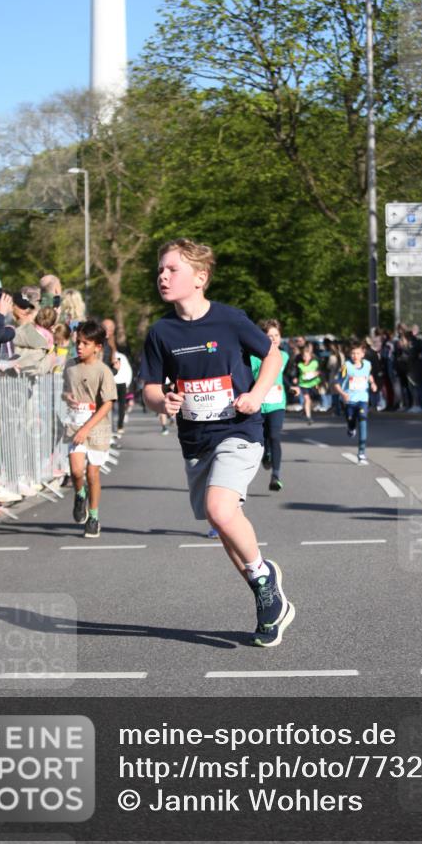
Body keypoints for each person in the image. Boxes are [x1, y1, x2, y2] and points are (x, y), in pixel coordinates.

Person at [141, 238, 295, 648]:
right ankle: (267, 593)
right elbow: (149, 389)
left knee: (219, 508)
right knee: (222, 523)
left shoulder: (229, 320)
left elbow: (274, 356)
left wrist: (258, 394)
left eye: (172, 269)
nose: (163, 276)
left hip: (240, 431)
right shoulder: (161, 332)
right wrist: (164, 400)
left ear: (200, 278)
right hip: (196, 440)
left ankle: (263, 578)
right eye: (161, 269)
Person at [63, 320, 117, 538]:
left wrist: (87, 428)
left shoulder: (104, 371)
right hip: (74, 423)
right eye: (78, 342)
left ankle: (93, 516)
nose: (80, 347)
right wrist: (67, 397)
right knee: (76, 471)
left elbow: (108, 403)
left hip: (97, 428)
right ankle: (79, 494)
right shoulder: (70, 366)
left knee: (92, 473)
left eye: (85, 343)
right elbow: (64, 392)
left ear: (97, 347)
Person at [251, 319, 289, 493]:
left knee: (274, 435)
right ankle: (266, 453)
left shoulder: (285, 356)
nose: (273, 338)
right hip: (258, 403)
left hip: (276, 403)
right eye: (269, 336)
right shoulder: (253, 358)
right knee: (262, 436)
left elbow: (285, 376)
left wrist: (293, 387)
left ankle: (276, 476)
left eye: (276, 335)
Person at [335, 341, 377, 465]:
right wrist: (343, 394)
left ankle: (361, 453)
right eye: (353, 353)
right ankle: (350, 427)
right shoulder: (346, 366)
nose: (355, 356)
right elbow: (337, 383)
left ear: (363, 354)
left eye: (358, 353)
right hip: (349, 400)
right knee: (351, 421)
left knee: (363, 419)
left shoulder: (368, 365)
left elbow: (368, 376)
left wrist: (373, 383)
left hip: (363, 399)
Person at [292, 340, 321, 426]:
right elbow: (297, 372)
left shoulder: (315, 362)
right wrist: (295, 378)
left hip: (313, 384)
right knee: (307, 399)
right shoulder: (300, 364)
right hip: (303, 384)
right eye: (303, 356)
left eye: (306, 356)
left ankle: (305, 410)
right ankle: (309, 417)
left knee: (310, 400)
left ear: (310, 355)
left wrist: (316, 373)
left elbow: (319, 371)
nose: (305, 357)